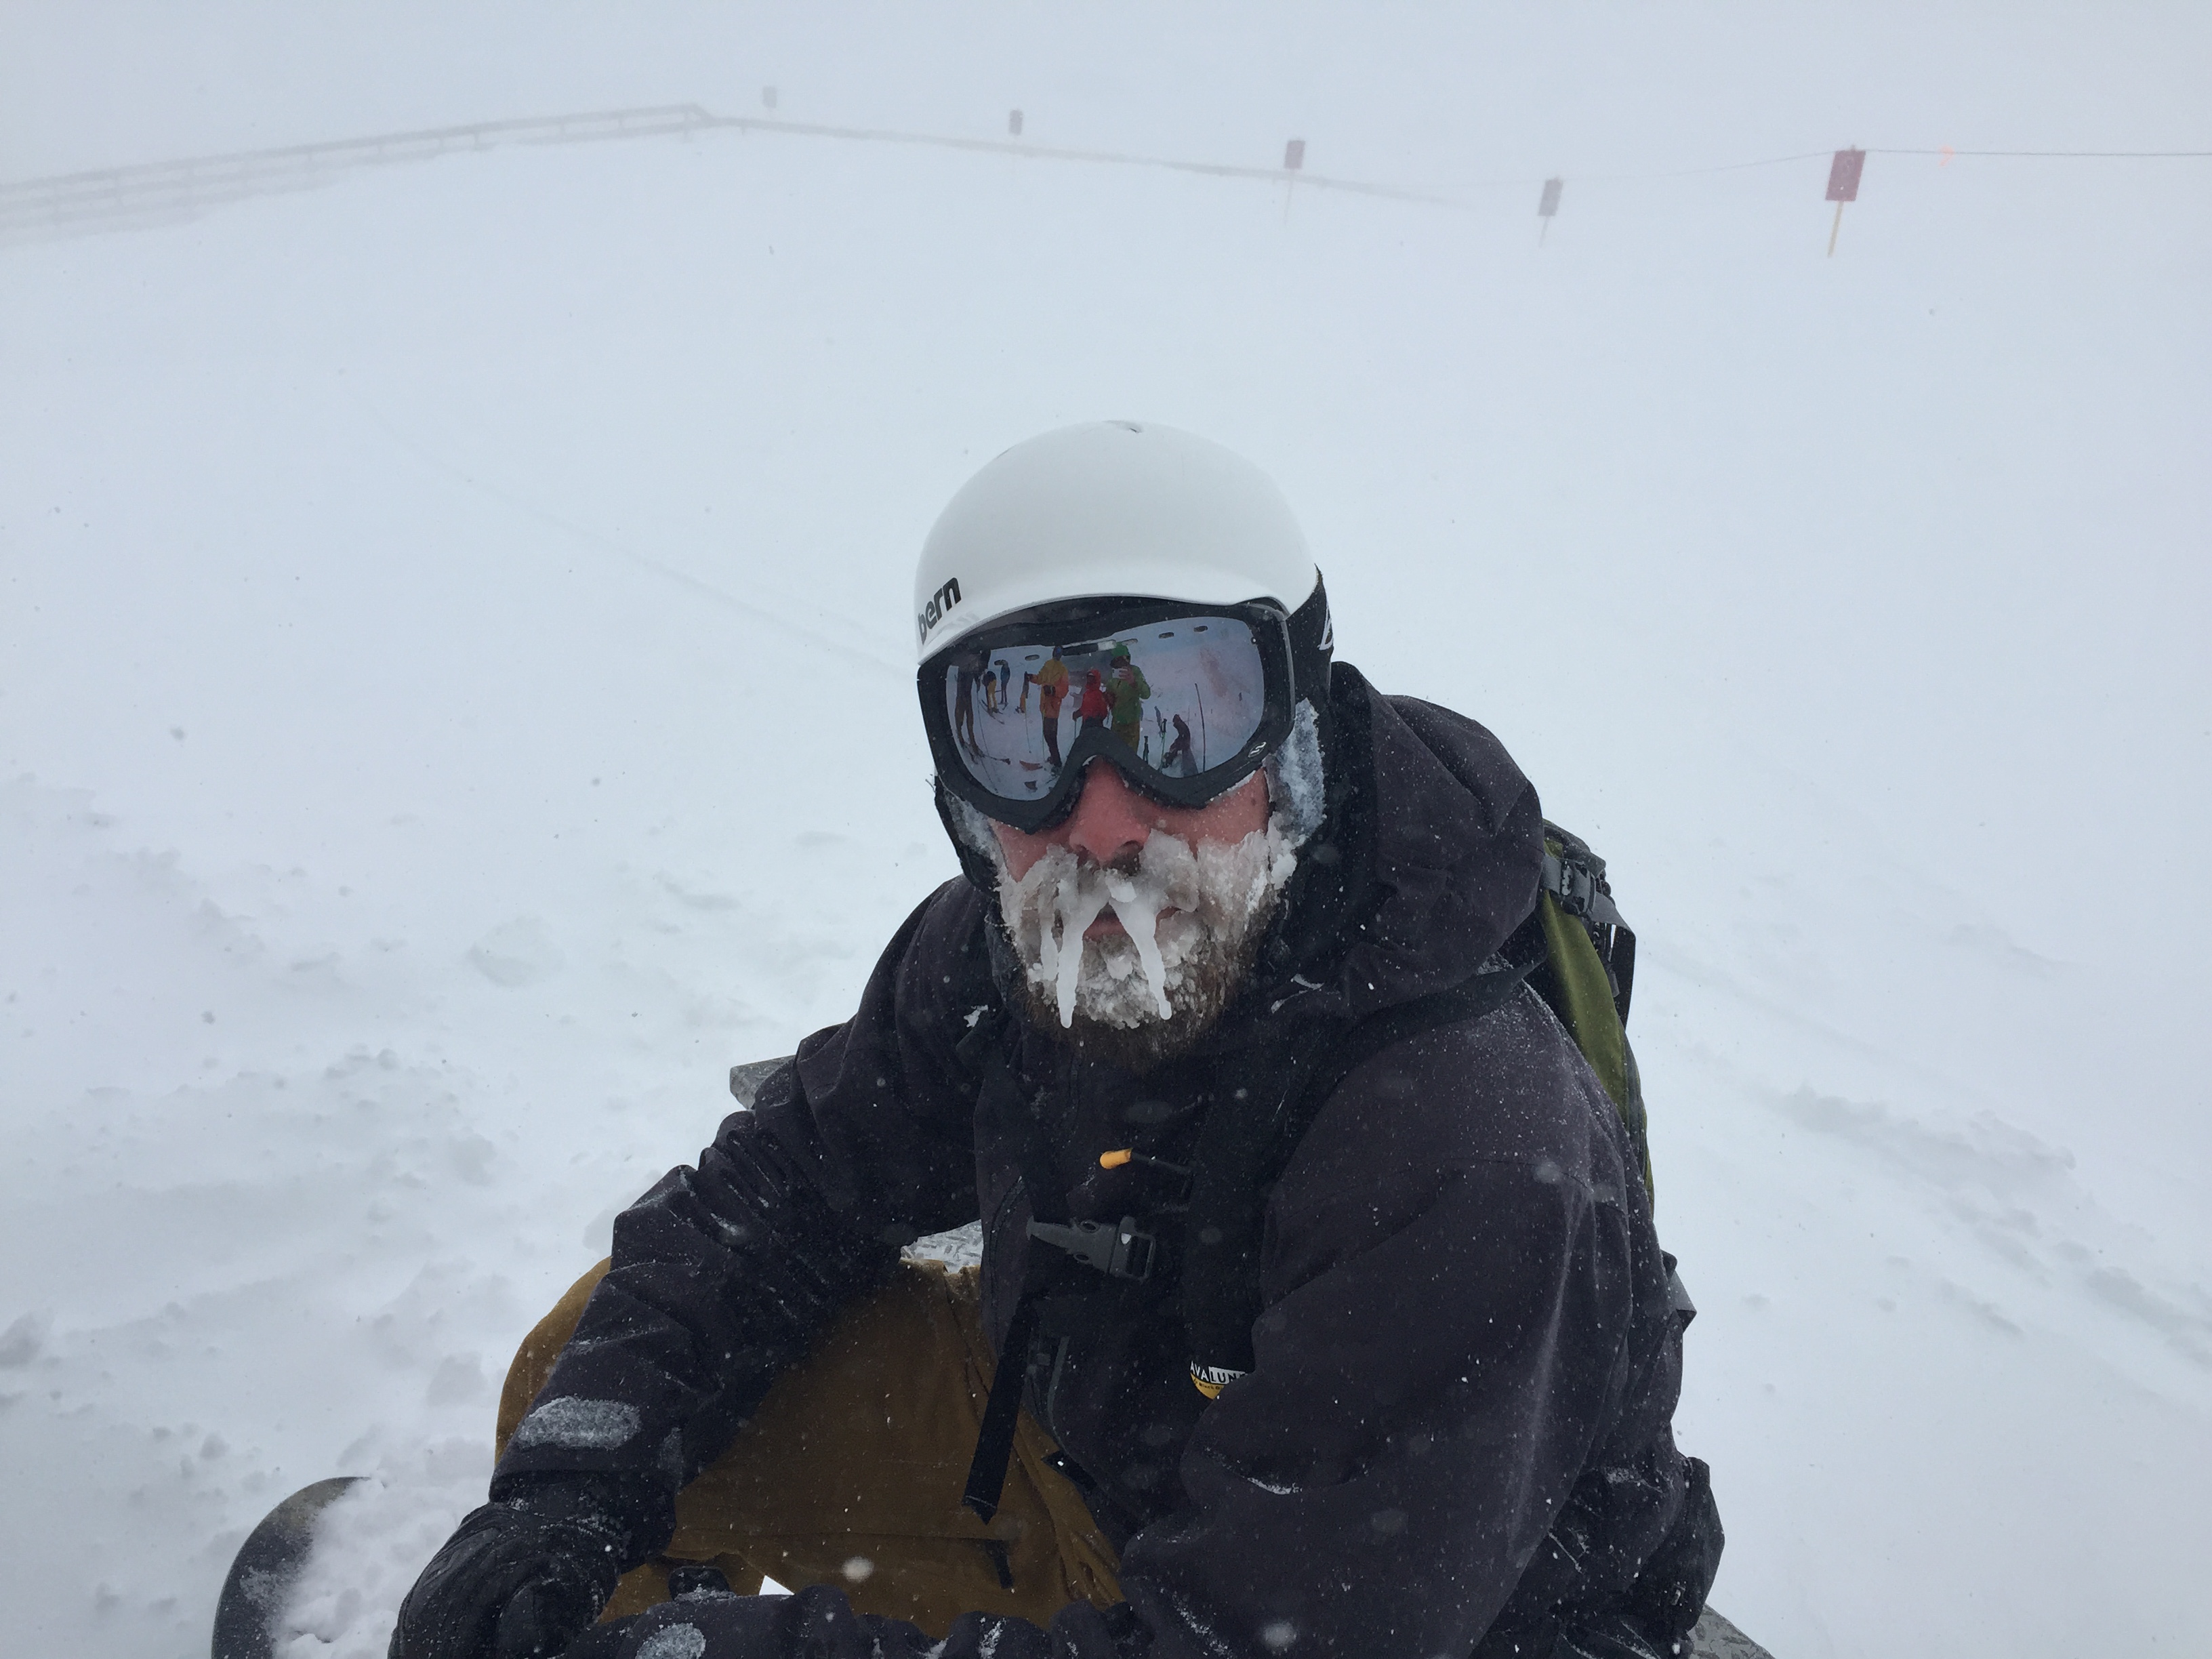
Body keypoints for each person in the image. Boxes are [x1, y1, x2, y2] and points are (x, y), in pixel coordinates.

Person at [390, 422, 1721, 1659]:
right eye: (1021, 729)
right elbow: (790, 1185)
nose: (1099, 818)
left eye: (1180, 715)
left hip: (1415, 1604)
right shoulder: (1012, 944)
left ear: (1295, 733)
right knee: (572, 1369)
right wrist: (575, 1484)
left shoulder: (1463, 1140)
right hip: (1106, 1455)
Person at [1104, 645, 1151, 752]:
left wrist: (1134, 682)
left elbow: (1146, 694)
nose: (1121, 663)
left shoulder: (1135, 672)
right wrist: (1107, 697)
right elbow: (1108, 694)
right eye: (1118, 660)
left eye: (1124, 659)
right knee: (1114, 754)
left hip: (1132, 723)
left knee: (1129, 757)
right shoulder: (1112, 675)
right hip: (1117, 722)